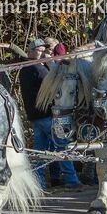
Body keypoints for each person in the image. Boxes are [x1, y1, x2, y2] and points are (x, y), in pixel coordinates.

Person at [19, 39, 83, 190]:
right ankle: (71, 180)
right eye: (38, 50)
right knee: (62, 145)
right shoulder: (35, 68)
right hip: (47, 114)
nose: (42, 52)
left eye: (43, 49)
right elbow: (53, 84)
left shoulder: (33, 66)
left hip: (37, 116)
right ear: (30, 51)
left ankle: (39, 182)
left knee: (40, 151)